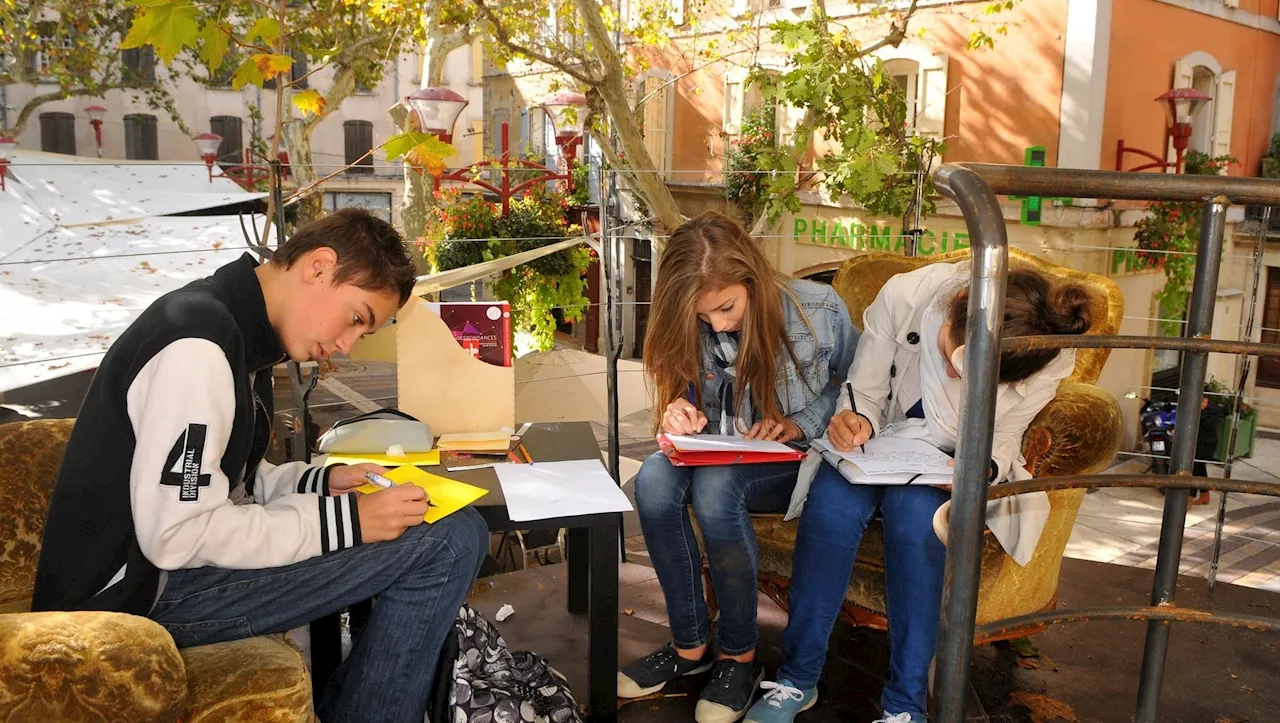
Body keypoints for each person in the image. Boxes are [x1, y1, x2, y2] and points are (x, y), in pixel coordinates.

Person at [32, 209, 490, 723]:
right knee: (449, 542)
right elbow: (178, 533)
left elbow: (226, 484)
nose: (345, 345)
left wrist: (322, 481)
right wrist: (350, 521)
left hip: (162, 577)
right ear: (319, 266)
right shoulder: (198, 344)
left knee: (447, 533)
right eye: (357, 319)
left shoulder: (232, 332)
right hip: (130, 604)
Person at [746, 262, 1092, 723]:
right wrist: (856, 419)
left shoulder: (1049, 353)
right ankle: (796, 679)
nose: (953, 372)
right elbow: (862, 388)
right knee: (830, 508)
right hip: (877, 441)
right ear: (951, 310)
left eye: (972, 371)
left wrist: (979, 466)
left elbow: (1006, 436)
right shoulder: (906, 295)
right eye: (953, 355)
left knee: (917, 521)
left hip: (946, 463)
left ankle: (904, 704)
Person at [616, 212, 857, 723]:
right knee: (654, 481)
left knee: (716, 489)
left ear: (752, 278)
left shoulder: (817, 308)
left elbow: (863, 386)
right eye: (706, 318)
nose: (719, 325)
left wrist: (799, 422)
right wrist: (678, 408)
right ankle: (688, 647)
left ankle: (739, 657)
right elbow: (686, 386)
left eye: (727, 308)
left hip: (794, 458)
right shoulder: (694, 317)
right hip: (720, 448)